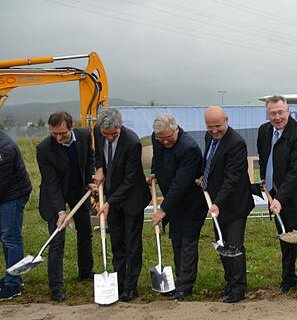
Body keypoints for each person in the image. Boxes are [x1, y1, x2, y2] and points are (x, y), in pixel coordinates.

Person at [258, 95, 297, 302]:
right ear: (267, 114)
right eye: (272, 113)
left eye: (280, 112)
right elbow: (264, 158)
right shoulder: (264, 131)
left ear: (288, 112)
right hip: (277, 194)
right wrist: (266, 184)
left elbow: (296, 171)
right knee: (285, 237)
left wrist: (280, 198)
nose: (277, 117)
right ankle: (288, 278)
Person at [36, 111, 96, 302]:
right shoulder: (44, 149)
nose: (59, 138)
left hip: (79, 191)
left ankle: (86, 272)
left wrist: (89, 180)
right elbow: (51, 182)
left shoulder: (85, 135)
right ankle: (56, 288)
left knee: (85, 233)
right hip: (55, 194)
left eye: (62, 133)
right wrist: (61, 211)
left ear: (71, 127)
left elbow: (90, 158)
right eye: (55, 134)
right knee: (57, 240)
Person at [93, 108, 151, 302]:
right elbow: (98, 155)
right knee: (117, 241)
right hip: (112, 195)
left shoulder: (132, 142)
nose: (109, 138)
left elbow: (130, 179)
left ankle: (131, 287)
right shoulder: (98, 131)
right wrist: (99, 168)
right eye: (106, 134)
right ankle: (118, 282)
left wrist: (109, 202)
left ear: (120, 127)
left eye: (114, 134)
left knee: (132, 243)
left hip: (132, 197)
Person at [148, 114, 207, 301]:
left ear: (176, 129)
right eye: (161, 139)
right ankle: (180, 280)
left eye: (168, 138)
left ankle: (185, 287)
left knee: (188, 242)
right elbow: (157, 157)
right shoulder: (157, 137)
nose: (165, 142)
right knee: (176, 240)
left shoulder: (189, 148)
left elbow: (181, 184)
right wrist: (154, 172)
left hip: (191, 202)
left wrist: (163, 209)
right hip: (173, 201)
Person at [199, 106, 254, 303]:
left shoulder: (236, 143)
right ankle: (229, 282)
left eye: (218, 126)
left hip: (234, 203)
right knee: (222, 244)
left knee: (233, 246)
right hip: (216, 203)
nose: (214, 131)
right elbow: (211, 163)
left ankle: (239, 288)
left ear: (227, 120)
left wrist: (218, 202)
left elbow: (232, 178)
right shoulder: (210, 137)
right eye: (209, 127)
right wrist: (203, 178)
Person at [0, 129, 32, 301]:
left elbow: (1, 184)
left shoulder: (4, 149)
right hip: (5, 193)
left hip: (12, 195)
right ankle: (10, 276)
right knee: (5, 236)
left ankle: (13, 284)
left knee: (11, 238)